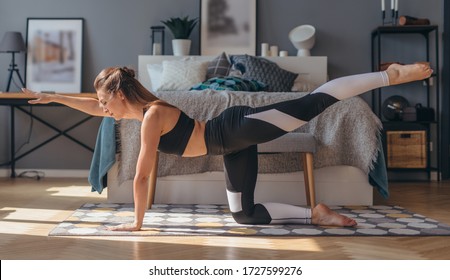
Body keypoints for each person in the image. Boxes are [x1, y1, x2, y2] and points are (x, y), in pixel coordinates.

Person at [22, 62, 433, 231]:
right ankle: (317, 214)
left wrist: (139, 222)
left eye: (106, 102)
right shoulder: (135, 110)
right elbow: (92, 106)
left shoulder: (150, 116)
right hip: (229, 146)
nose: (102, 109)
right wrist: (52, 96)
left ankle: (389, 76)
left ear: (121, 98)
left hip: (234, 127)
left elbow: (145, 173)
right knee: (245, 216)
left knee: (315, 103)